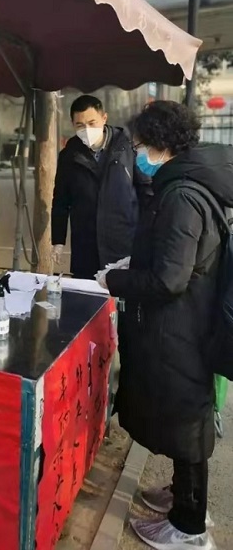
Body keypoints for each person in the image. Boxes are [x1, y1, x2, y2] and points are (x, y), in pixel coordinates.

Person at [99, 101, 232, 550]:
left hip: (182, 330)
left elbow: (169, 279)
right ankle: (181, 496)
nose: (138, 155)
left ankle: (190, 527)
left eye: (140, 146)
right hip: (187, 320)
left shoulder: (182, 196)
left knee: (187, 423)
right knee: (180, 418)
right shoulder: (191, 183)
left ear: (160, 144)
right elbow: (178, 259)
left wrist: (114, 280)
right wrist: (132, 263)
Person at [51, 95, 151, 279]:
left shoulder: (128, 148)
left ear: (104, 118)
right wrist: (58, 240)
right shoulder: (69, 156)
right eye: (80, 125)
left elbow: (146, 191)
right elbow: (61, 200)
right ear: (73, 124)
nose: (87, 130)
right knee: (86, 293)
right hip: (85, 244)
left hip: (123, 241)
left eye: (92, 123)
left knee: (121, 293)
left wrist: (148, 235)